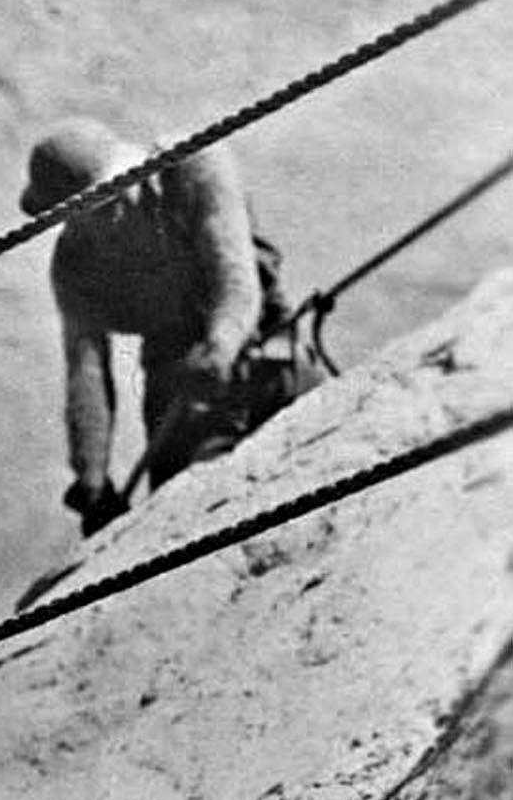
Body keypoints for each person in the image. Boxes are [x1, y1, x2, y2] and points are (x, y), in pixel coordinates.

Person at [20, 118, 318, 536]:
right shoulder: (75, 267)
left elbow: (234, 277)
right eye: (94, 212)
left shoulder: (192, 165)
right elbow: (87, 372)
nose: (113, 214)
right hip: (176, 381)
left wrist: (219, 350)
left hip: (261, 347)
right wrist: (93, 478)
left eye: (114, 195)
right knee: (181, 521)